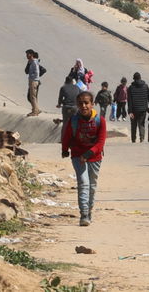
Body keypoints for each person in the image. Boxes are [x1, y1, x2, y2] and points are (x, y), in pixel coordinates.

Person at [61, 89, 106, 227]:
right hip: (78, 156)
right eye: (81, 103)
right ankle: (84, 214)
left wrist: (89, 153)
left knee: (92, 186)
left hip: (95, 157)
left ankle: (90, 210)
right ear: (77, 105)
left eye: (86, 103)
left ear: (92, 104)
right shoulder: (73, 121)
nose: (84, 106)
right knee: (83, 183)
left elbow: (101, 142)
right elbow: (67, 136)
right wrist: (64, 150)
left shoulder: (100, 121)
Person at [127, 73, 149, 142]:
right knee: (141, 124)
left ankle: (133, 140)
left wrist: (130, 111)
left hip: (133, 110)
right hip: (143, 110)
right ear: (140, 78)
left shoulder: (131, 88)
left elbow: (129, 101)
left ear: (134, 78)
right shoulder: (145, 86)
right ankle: (142, 138)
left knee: (133, 126)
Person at [24, 49, 45, 116]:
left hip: (34, 81)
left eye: (28, 54)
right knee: (32, 96)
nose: (27, 56)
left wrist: (33, 78)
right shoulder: (31, 62)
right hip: (33, 80)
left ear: (32, 54)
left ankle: (35, 111)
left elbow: (36, 72)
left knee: (32, 97)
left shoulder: (34, 62)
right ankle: (36, 109)